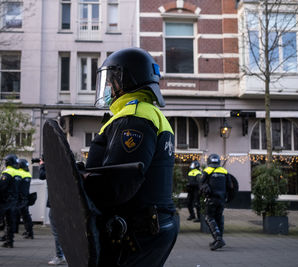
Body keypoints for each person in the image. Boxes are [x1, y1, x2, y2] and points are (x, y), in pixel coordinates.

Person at [84, 47, 179, 267]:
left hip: (136, 232)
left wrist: (83, 180)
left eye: (111, 80)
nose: (107, 86)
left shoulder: (133, 117)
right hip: (151, 226)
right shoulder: (150, 114)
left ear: (126, 80)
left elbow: (119, 184)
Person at [38, 158, 67, 265]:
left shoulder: (55, 168)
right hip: (62, 202)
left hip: (56, 202)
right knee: (61, 230)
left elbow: (41, 176)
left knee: (57, 231)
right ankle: (63, 255)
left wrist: (42, 164)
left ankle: (60, 256)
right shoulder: (64, 166)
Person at [0, 154, 20, 250]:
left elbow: (1, 186)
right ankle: (9, 242)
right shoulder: (18, 173)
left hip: (4, 201)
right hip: (13, 202)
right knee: (10, 223)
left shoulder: (8, 172)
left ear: (8, 162)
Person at [200, 154, 229, 251]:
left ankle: (218, 239)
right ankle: (218, 239)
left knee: (209, 218)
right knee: (219, 218)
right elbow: (231, 186)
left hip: (211, 198)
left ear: (209, 161)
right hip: (222, 199)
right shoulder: (224, 171)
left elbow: (201, 184)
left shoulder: (207, 171)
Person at [16, 159, 34, 239]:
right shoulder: (27, 174)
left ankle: (10, 233)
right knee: (26, 216)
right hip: (26, 197)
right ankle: (29, 232)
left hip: (19, 198)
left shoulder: (19, 173)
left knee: (13, 216)